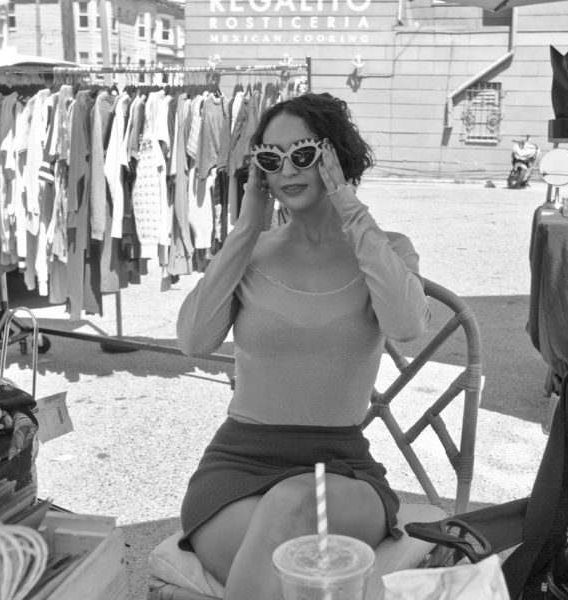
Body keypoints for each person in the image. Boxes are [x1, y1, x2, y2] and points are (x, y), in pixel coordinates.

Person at [176, 92, 431, 599]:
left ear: (335, 156)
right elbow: (194, 340)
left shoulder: (385, 249)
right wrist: (247, 227)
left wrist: (351, 211)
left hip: (342, 468)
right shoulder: (253, 252)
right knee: (284, 570)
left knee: (291, 505)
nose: (286, 169)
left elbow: (406, 327)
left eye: (304, 154)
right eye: (271, 158)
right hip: (237, 464)